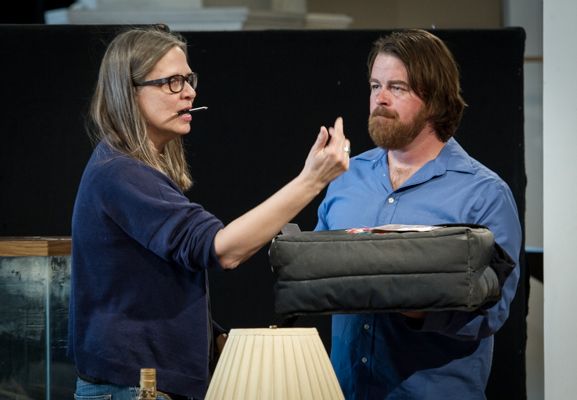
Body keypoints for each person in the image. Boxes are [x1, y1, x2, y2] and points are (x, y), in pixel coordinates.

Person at [67, 25, 350, 400]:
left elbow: (150, 284)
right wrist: (311, 181)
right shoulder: (122, 172)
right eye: (172, 82)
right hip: (134, 389)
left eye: (188, 79)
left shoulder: (124, 167)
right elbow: (222, 249)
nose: (189, 92)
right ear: (129, 92)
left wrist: (215, 339)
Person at [315, 29, 522, 399]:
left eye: (397, 88)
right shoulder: (345, 177)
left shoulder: (484, 193)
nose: (380, 99)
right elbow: (316, 275)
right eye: (375, 86)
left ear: (435, 99)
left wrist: (405, 299)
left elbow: (493, 311)